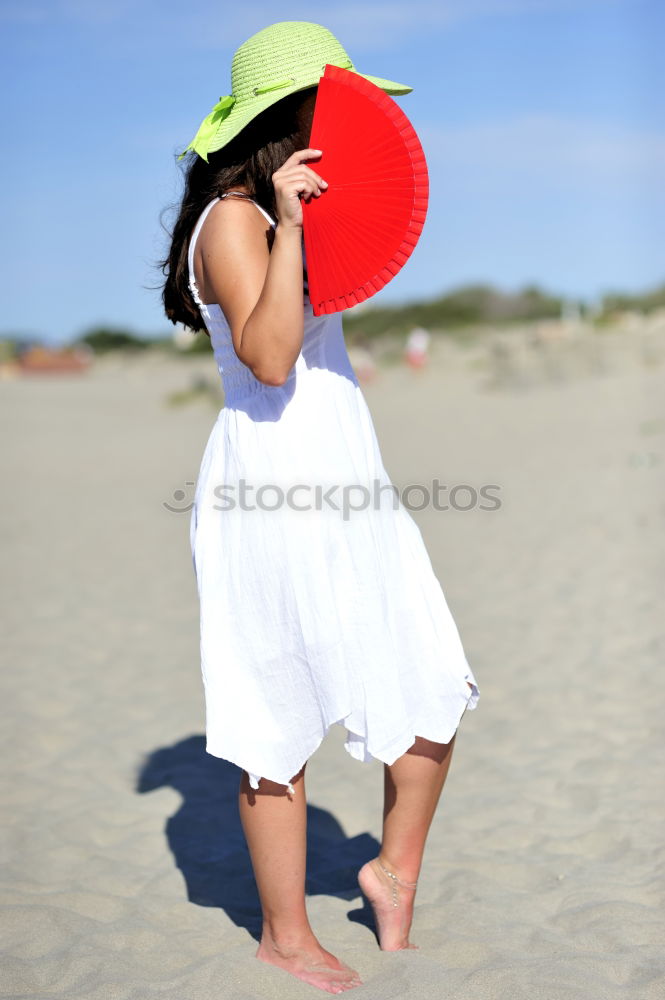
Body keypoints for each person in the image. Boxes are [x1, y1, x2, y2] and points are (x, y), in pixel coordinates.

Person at [160, 21, 480, 996]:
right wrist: (290, 225)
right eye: (328, 113)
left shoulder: (287, 208)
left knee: (430, 677)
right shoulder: (231, 219)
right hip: (268, 484)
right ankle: (284, 935)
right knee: (274, 712)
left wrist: (322, 223)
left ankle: (390, 869)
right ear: (285, 120)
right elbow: (265, 358)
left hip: (349, 470)